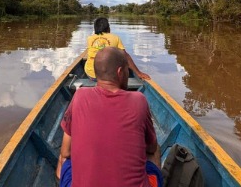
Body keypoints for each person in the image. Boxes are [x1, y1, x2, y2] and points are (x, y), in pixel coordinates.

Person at [56, 47, 162, 187]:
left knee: (63, 159)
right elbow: (151, 148)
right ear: (120, 72)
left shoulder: (79, 96)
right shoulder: (139, 100)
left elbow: (66, 151)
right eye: (126, 70)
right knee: (155, 151)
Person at [82, 17, 150, 80]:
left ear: (95, 29)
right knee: (122, 64)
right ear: (108, 28)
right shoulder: (115, 38)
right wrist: (139, 73)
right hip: (108, 78)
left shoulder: (89, 38)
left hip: (91, 75)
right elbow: (125, 56)